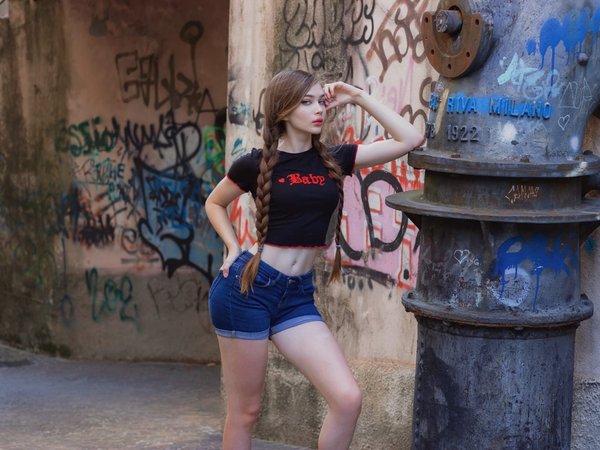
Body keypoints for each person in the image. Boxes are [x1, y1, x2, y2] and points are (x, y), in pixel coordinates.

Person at [205, 69, 424, 450]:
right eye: (305, 102)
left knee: (347, 398)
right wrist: (232, 246)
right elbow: (215, 202)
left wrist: (356, 96)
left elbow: (411, 138)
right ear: (283, 110)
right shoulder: (254, 164)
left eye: (319, 100)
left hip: (295, 297)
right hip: (247, 291)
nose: (318, 109)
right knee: (246, 412)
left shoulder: (335, 159)